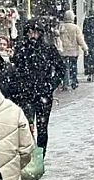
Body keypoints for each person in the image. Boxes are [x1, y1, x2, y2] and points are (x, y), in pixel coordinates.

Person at [11, 20, 64, 154]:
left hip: (43, 94)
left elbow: (61, 68)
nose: (32, 36)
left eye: (35, 32)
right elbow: (14, 69)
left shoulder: (48, 49)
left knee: (42, 127)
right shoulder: (21, 49)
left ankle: (40, 154)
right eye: (30, 32)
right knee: (26, 126)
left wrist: (50, 85)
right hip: (25, 94)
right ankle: (28, 154)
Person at [57, 10, 87, 90]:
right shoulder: (75, 28)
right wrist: (85, 48)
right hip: (73, 51)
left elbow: (57, 38)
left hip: (63, 51)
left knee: (64, 68)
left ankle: (65, 83)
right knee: (73, 67)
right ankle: (74, 82)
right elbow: (80, 39)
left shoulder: (61, 27)